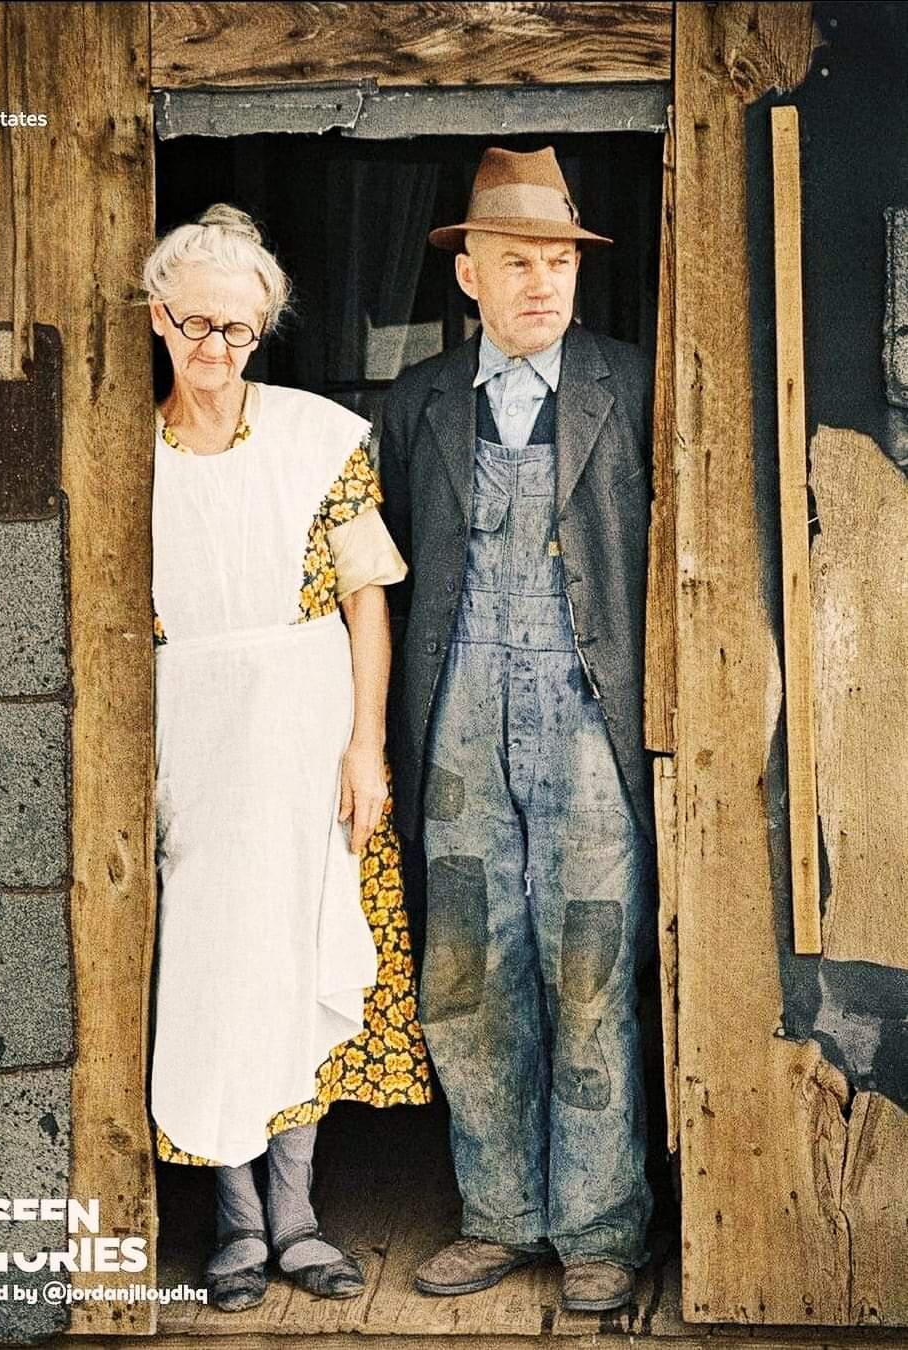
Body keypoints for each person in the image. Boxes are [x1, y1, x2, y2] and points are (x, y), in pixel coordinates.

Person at [378, 146, 657, 1313]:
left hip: (588, 720)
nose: (542, 284)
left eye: (558, 263)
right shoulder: (418, 403)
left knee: (588, 966)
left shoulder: (632, 387)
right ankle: (496, 1213)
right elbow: (381, 580)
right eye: (516, 263)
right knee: (465, 974)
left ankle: (598, 1224)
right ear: (468, 279)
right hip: (455, 722)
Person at [146, 204, 430, 1313]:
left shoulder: (321, 438)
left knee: (304, 961)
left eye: (241, 332)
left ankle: (302, 1220)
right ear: (158, 318)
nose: (217, 352)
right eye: (199, 327)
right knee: (216, 980)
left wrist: (364, 747)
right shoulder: (127, 455)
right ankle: (236, 1224)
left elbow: (368, 605)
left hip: (312, 747)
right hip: (195, 752)